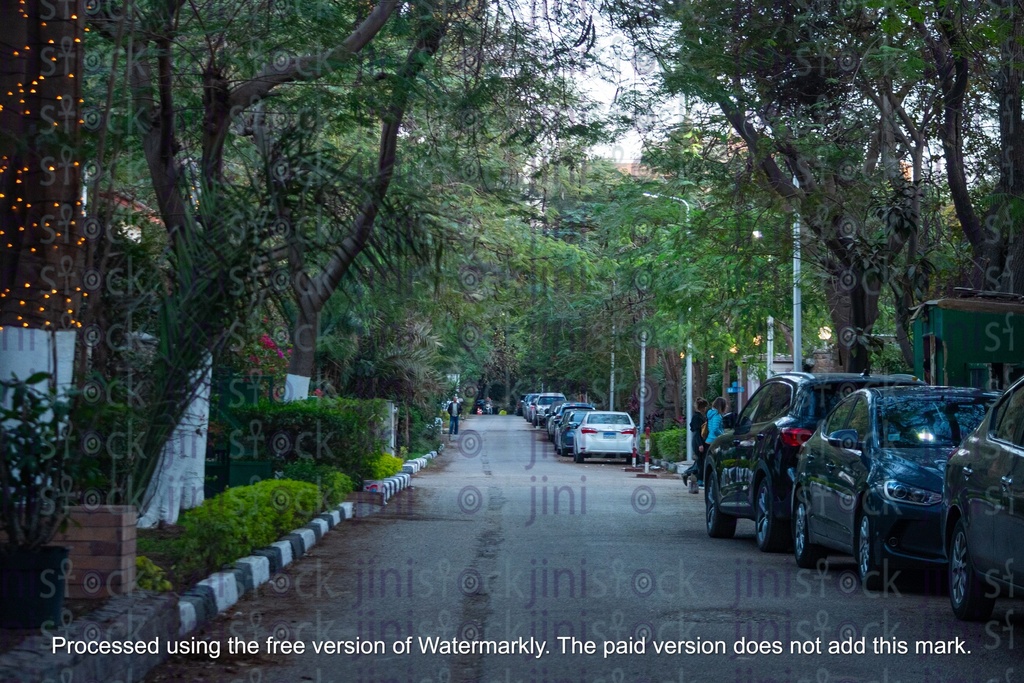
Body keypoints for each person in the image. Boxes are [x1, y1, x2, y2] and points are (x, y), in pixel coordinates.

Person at [682, 398, 709, 488]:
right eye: (704, 407)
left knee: (699, 461)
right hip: (698, 442)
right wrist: (700, 444)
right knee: (700, 462)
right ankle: (695, 477)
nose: (705, 409)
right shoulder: (697, 417)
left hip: (700, 441)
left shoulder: (700, 417)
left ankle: (693, 476)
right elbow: (697, 432)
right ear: (702, 407)